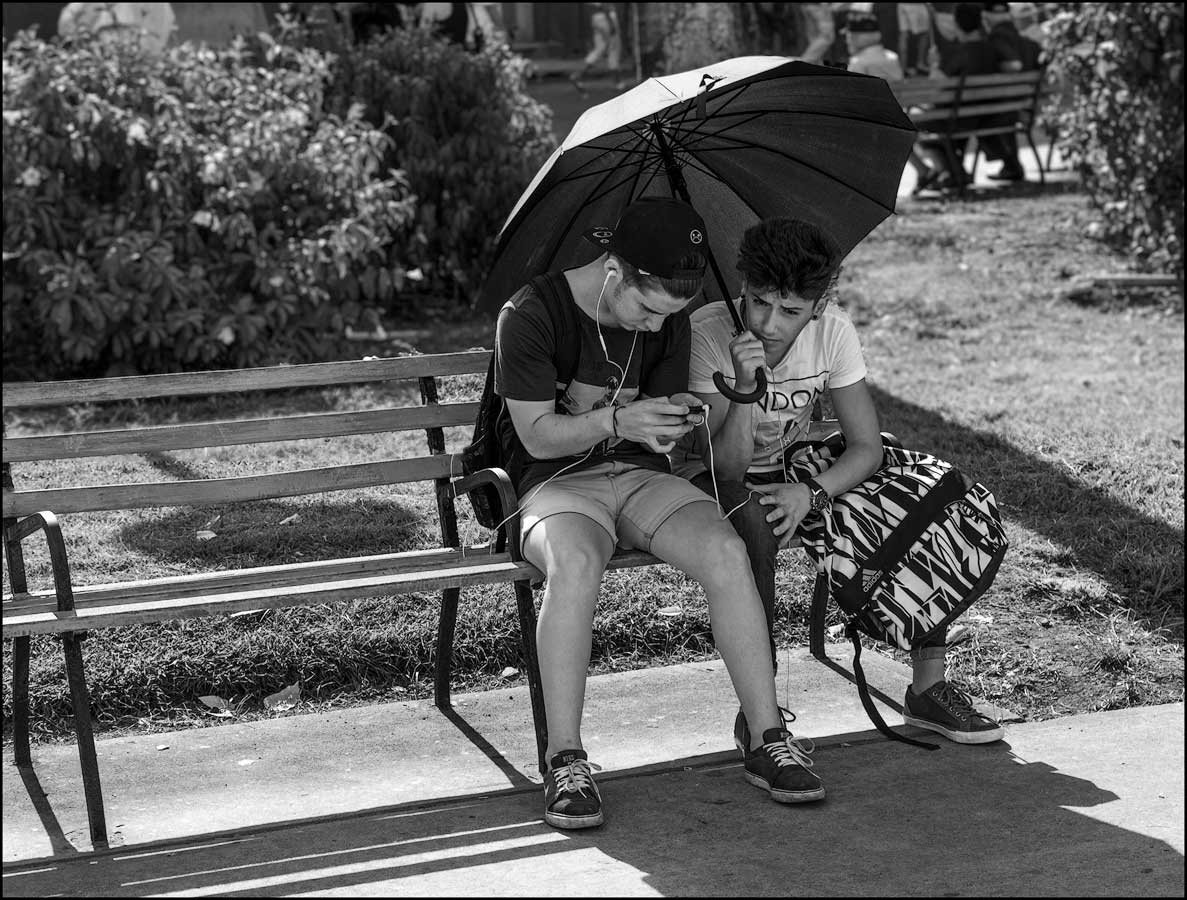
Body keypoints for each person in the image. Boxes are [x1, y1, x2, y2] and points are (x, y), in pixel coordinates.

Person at [494, 198, 826, 830]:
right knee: (577, 563)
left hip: (642, 477)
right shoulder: (532, 313)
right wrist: (617, 418)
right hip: (556, 483)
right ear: (614, 274)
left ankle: (766, 738)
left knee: (726, 549)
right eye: (646, 310)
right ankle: (564, 758)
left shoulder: (665, 323)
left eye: (665, 317)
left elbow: (669, 426)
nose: (653, 328)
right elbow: (535, 436)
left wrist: (685, 418)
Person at [673, 216, 1005, 753]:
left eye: (790, 311)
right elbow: (724, 469)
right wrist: (741, 388)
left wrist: (814, 491)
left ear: (819, 306)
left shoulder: (834, 331)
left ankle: (928, 687)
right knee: (754, 518)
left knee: (925, 492)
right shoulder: (709, 334)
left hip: (801, 474)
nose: (769, 323)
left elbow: (867, 447)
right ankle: (760, 712)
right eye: (758, 302)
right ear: (742, 289)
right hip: (718, 478)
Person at [979, 0, 1044, 180]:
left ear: (986, 19)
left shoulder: (996, 39)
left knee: (979, 116)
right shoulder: (1024, 41)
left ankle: (1010, 165)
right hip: (1024, 105)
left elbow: (1014, 64)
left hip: (1005, 108)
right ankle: (1011, 166)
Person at [570, 2, 626, 94]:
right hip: (606, 18)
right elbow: (605, 5)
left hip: (596, 18)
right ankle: (617, 82)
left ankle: (577, 74)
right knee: (614, 49)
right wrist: (611, 22)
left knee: (598, 50)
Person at [843, 7, 904, 81]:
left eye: (848, 37)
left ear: (856, 38)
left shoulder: (858, 63)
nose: (847, 41)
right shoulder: (893, 57)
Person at [896, 2, 933, 76]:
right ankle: (919, 64)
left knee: (904, 34)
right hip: (917, 5)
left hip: (903, 5)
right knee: (923, 34)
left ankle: (903, 67)